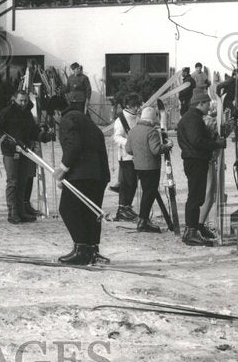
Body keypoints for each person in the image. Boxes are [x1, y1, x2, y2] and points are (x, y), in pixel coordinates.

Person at [51, 92, 110, 263]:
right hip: (98, 173)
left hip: (82, 174)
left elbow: (74, 146)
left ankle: (81, 250)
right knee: (89, 212)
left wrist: (63, 170)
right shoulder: (83, 118)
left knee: (68, 209)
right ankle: (92, 250)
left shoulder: (67, 120)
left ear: (56, 112)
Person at [0, 88, 50, 224]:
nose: (23, 103)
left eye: (25, 100)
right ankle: (12, 212)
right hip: (11, 152)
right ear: (14, 99)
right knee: (13, 182)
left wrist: (44, 136)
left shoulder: (27, 114)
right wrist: (5, 141)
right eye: (20, 100)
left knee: (22, 181)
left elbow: (33, 132)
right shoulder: (7, 112)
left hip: (25, 151)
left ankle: (22, 212)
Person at [177, 89, 226, 245]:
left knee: (197, 196)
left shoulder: (193, 117)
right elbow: (197, 141)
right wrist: (216, 144)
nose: (209, 107)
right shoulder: (193, 119)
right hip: (195, 159)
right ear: (201, 103)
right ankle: (191, 231)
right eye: (208, 104)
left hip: (195, 158)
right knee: (195, 196)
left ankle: (195, 227)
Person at [125, 106, 172, 234]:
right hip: (151, 167)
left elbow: (128, 150)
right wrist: (167, 146)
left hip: (138, 166)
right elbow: (156, 150)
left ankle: (143, 220)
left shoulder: (133, 131)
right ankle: (143, 221)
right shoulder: (151, 131)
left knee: (147, 193)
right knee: (149, 194)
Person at [111, 93, 142, 222]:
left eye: (138, 105)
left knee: (133, 183)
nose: (137, 108)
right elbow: (116, 137)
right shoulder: (121, 119)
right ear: (129, 105)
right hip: (125, 156)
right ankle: (122, 209)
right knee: (126, 183)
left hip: (135, 156)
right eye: (135, 106)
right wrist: (129, 143)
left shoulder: (136, 118)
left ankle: (127, 207)